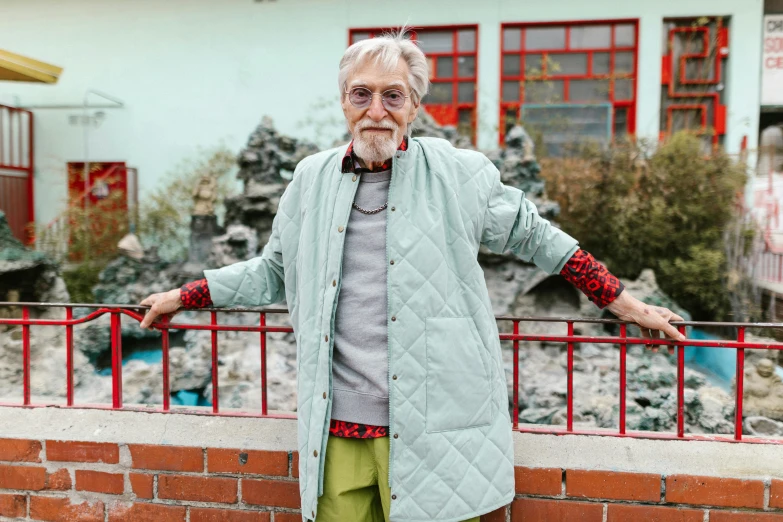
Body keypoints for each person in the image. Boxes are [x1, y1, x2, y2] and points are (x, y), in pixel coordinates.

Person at [139, 28, 686, 522]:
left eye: (392, 95)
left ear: (415, 106)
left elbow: (538, 238)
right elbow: (273, 272)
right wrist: (183, 295)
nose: (376, 109)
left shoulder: (460, 174)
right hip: (337, 434)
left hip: (437, 431)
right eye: (362, 93)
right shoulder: (308, 180)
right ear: (344, 102)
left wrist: (626, 305)